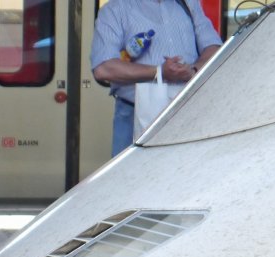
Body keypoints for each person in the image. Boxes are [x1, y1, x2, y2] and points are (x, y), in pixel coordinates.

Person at [91, 0, 221, 156]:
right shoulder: (115, 9)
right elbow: (103, 68)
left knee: (185, 173)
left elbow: (214, 47)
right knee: (133, 176)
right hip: (135, 113)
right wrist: (158, 72)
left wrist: (193, 70)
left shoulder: (188, 4)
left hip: (187, 109)